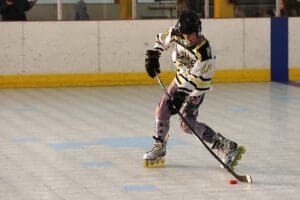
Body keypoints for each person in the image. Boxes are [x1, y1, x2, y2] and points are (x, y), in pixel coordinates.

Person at [143, 10, 244, 168]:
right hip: (180, 79)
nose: (188, 38)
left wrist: (182, 94)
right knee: (162, 109)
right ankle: (159, 147)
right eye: (185, 35)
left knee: (187, 123)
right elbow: (161, 40)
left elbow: (198, 78)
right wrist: (154, 55)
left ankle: (225, 146)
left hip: (196, 87)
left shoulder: (205, 53)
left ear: (198, 31)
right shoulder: (177, 34)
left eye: (192, 34)